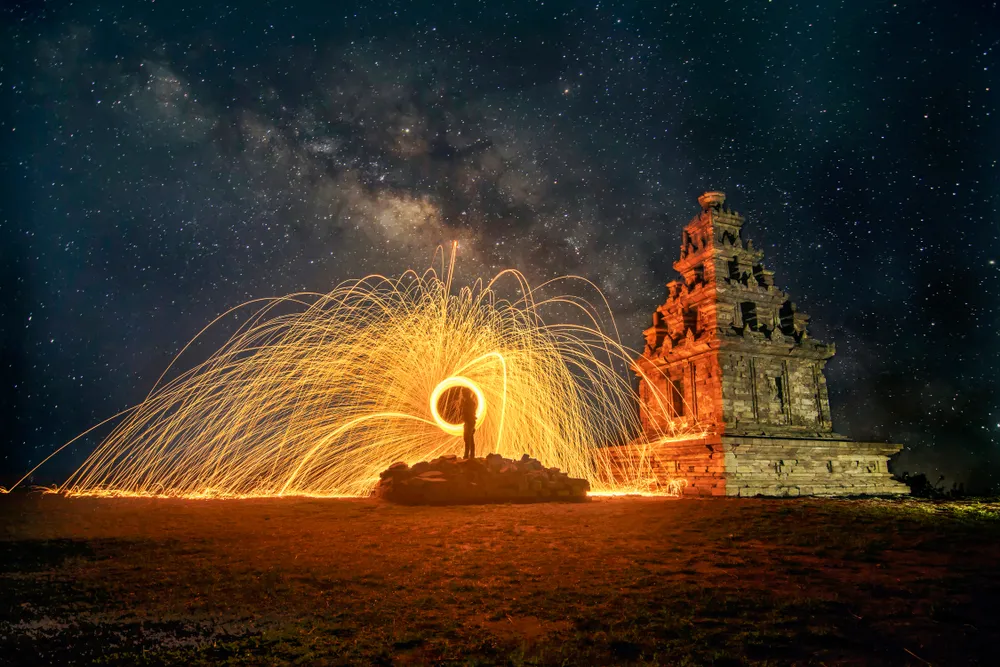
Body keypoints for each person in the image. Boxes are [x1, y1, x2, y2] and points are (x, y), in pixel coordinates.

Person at [461, 388, 477, 459]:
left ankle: (468, 455)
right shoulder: (467, 402)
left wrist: (471, 425)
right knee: (468, 439)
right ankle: (470, 455)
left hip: (469, 422)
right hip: (468, 422)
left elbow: (471, 413)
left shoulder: (469, 402)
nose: (462, 395)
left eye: (464, 393)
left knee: (468, 439)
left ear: (467, 394)